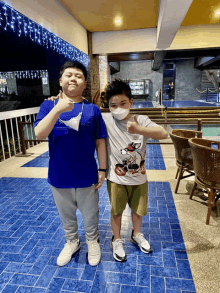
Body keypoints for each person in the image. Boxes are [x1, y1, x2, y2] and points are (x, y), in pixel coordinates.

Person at [33, 60, 107, 267]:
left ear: (84, 84)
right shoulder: (48, 105)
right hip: (59, 174)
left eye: (78, 75)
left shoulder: (92, 109)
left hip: (86, 174)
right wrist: (57, 109)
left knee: (90, 215)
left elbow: (100, 142)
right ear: (60, 81)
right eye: (69, 74)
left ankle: (92, 241)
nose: (73, 78)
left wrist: (103, 168)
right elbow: (39, 134)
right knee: (66, 216)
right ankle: (72, 242)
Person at [102, 79, 168, 262]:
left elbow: (164, 133)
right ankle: (116, 239)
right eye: (113, 105)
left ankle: (136, 234)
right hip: (116, 178)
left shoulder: (141, 120)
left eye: (123, 103)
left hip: (139, 178)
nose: (118, 108)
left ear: (131, 102)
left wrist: (139, 129)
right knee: (116, 211)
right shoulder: (106, 119)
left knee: (138, 210)